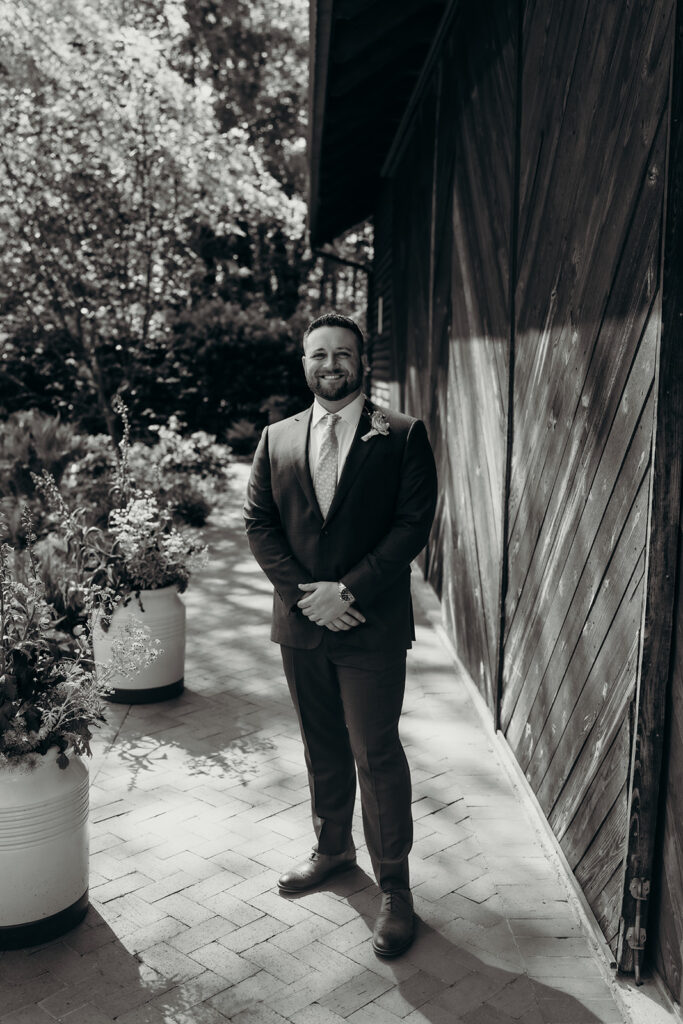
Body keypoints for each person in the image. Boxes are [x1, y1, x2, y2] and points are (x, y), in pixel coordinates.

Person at [243, 311, 437, 957]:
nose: (330, 365)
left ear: (362, 362)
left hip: (371, 625)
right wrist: (307, 599)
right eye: (318, 354)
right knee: (320, 743)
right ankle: (331, 849)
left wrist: (347, 590)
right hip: (301, 627)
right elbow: (258, 524)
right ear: (304, 363)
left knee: (374, 753)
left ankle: (394, 889)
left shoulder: (403, 435)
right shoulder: (275, 438)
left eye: (342, 354)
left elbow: (412, 525)